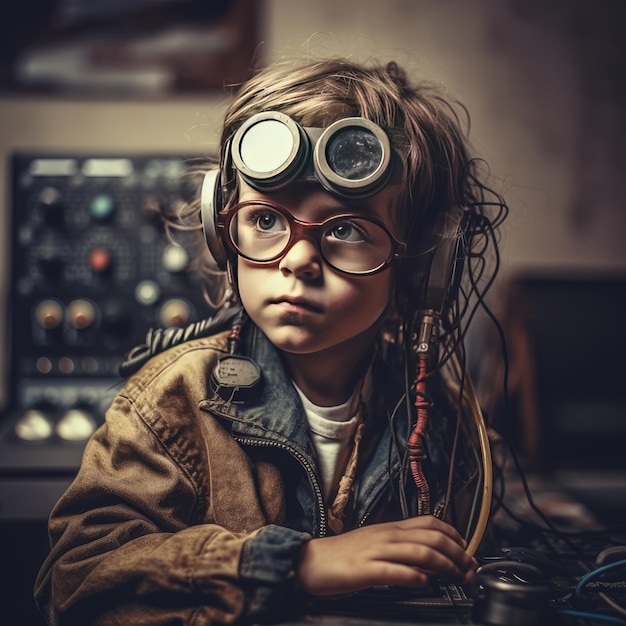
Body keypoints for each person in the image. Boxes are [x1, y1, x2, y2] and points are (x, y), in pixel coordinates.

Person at [34, 57, 508, 625]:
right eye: (265, 220)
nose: (299, 259)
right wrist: (294, 565)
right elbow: (77, 579)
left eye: (345, 228)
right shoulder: (172, 400)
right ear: (221, 229)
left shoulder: (444, 422)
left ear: (421, 264)